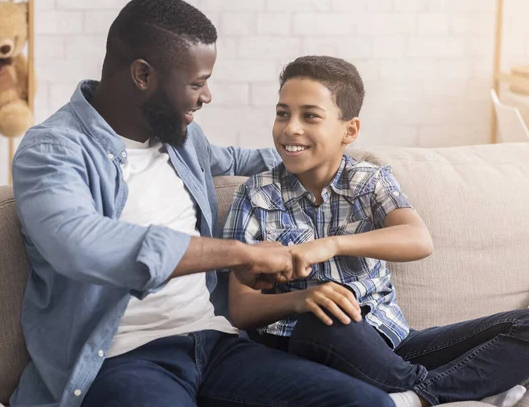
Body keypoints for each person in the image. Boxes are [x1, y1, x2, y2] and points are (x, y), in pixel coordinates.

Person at [9, 0, 396, 407]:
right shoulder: (53, 151)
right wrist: (239, 255)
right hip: (122, 361)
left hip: (215, 344)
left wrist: (334, 153)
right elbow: (81, 245)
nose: (207, 96)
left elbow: (244, 160)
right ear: (143, 75)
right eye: (197, 83)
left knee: (370, 404)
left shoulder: (182, 138)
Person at [224, 55, 529, 407]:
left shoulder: (369, 181)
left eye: (309, 116)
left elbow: (418, 239)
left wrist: (331, 245)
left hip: (393, 343)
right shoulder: (256, 194)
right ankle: (465, 386)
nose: (291, 128)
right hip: (310, 341)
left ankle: (418, 395)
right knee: (324, 321)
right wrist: (302, 299)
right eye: (282, 113)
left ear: (349, 130)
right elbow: (242, 308)